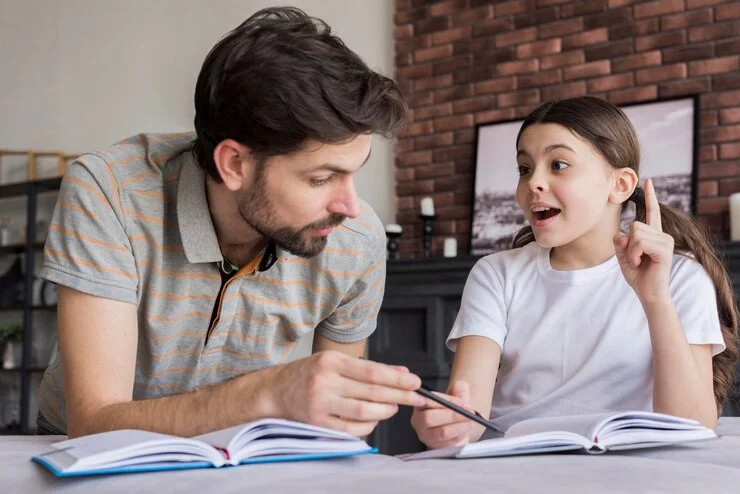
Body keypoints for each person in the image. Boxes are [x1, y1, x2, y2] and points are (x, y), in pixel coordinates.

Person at [37, 6, 426, 438]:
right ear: (234, 164)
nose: (350, 206)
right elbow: (93, 424)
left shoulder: (357, 240)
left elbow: (338, 430)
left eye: (354, 172)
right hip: (83, 456)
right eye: (321, 178)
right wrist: (268, 394)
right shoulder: (110, 192)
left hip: (239, 454)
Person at [411, 96, 739, 449]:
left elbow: (690, 426)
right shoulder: (496, 274)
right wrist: (446, 423)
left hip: (630, 469)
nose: (533, 182)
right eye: (524, 168)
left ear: (621, 185)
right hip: (513, 467)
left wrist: (654, 297)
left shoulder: (680, 278)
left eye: (559, 164)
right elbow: (468, 413)